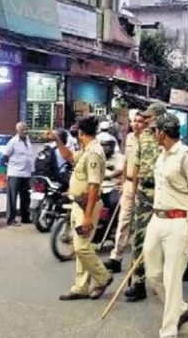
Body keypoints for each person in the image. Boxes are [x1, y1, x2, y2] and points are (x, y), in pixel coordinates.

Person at [143, 113, 188, 338]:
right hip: (157, 219)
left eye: (154, 131)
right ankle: (179, 306)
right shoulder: (161, 155)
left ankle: (169, 330)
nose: (153, 134)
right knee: (152, 274)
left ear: (162, 132)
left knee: (172, 277)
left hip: (179, 221)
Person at [54, 116, 113, 300]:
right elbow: (69, 156)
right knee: (79, 246)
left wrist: (88, 217)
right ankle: (81, 286)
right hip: (78, 204)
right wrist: (57, 140)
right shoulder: (87, 150)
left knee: (81, 247)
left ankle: (103, 276)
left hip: (88, 205)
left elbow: (94, 185)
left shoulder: (94, 153)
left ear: (80, 133)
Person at [126, 102, 166, 302]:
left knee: (164, 240)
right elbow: (136, 166)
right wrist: (133, 194)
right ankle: (138, 281)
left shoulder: (167, 138)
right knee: (139, 238)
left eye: (150, 117)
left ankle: (163, 281)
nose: (147, 120)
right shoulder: (142, 138)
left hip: (163, 195)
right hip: (144, 192)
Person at [105, 113, 146, 273]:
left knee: (141, 225)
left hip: (142, 186)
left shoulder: (149, 141)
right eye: (134, 121)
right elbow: (126, 161)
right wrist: (122, 183)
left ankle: (139, 263)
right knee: (123, 221)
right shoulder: (129, 138)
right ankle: (116, 257)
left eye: (140, 121)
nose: (136, 124)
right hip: (128, 183)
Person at [2, 122, 35, 226]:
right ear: (17, 130)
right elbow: (4, 157)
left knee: (26, 197)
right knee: (12, 198)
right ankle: (11, 219)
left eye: (26, 129)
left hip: (26, 174)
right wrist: (6, 171)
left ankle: (25, 217)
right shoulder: (13, 142)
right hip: (15, 173)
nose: (25, 131)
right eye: (22, 130)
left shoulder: (28, 141)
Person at [98, 133, 125, 243]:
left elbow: (119, 171)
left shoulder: (119, 157)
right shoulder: (97, 156)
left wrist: (107, 175)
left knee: (113, 203)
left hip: (112, 187)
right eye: (102, 145)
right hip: (98, 187)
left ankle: (112, 229)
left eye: (107, 145)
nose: (105, 148)